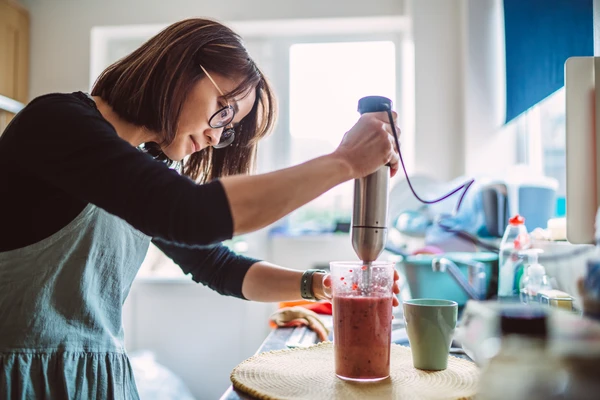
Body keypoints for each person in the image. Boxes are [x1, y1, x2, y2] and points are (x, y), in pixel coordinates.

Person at [0, 18, 401, 399]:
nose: (216, 133)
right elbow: (194, 214)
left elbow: (218, 267)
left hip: (97, 379)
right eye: (223, 108)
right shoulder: (56, 122)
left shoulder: (140, 169)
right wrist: (345, 161)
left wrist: (321, 285)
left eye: (228, 128)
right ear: (179, 68)